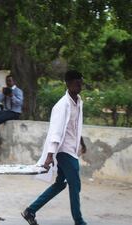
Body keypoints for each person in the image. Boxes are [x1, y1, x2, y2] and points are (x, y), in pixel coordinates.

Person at [21, 70, 87, 225]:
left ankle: (30, 210)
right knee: (75, 185)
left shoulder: (78, 102)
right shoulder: (62, 105)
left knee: (59, 184)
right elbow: (55, 132)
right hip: (64, 152)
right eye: (77, 83)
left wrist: (81, 142)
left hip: (71, 150)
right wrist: (50, 156)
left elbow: (75, 126)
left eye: (81, 82)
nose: (80, 86)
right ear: (68, 83)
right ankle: (79, 221)